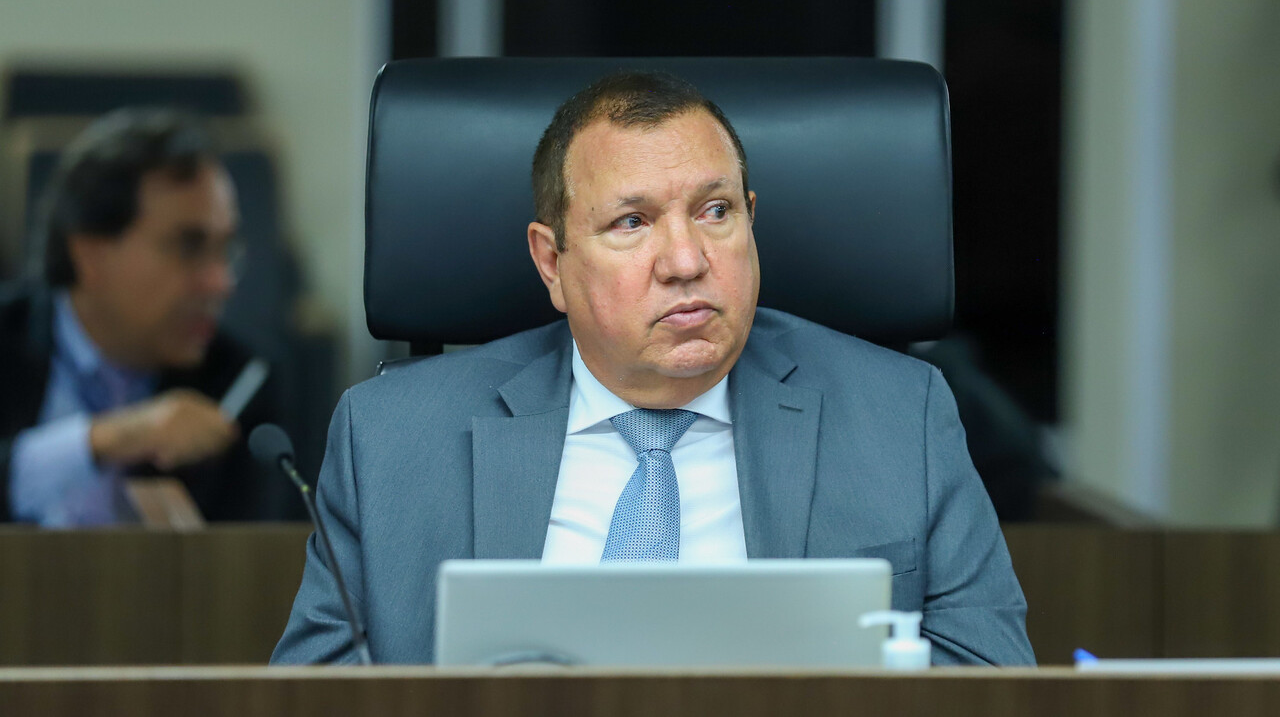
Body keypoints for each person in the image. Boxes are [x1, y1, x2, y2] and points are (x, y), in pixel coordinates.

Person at [273, 72, 1035, 665]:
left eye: (715, 211)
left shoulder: (901, 417)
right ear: (552, 262)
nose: (686, 260)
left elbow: (991, 684)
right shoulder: (391, 440)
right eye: (632, 222)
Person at [0, 108, 287, 525]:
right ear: (90, 256)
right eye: (189, 246)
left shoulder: (238, 381)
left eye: (225, 250)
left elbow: (255, 551)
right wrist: (105, 440)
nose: (220, 281)